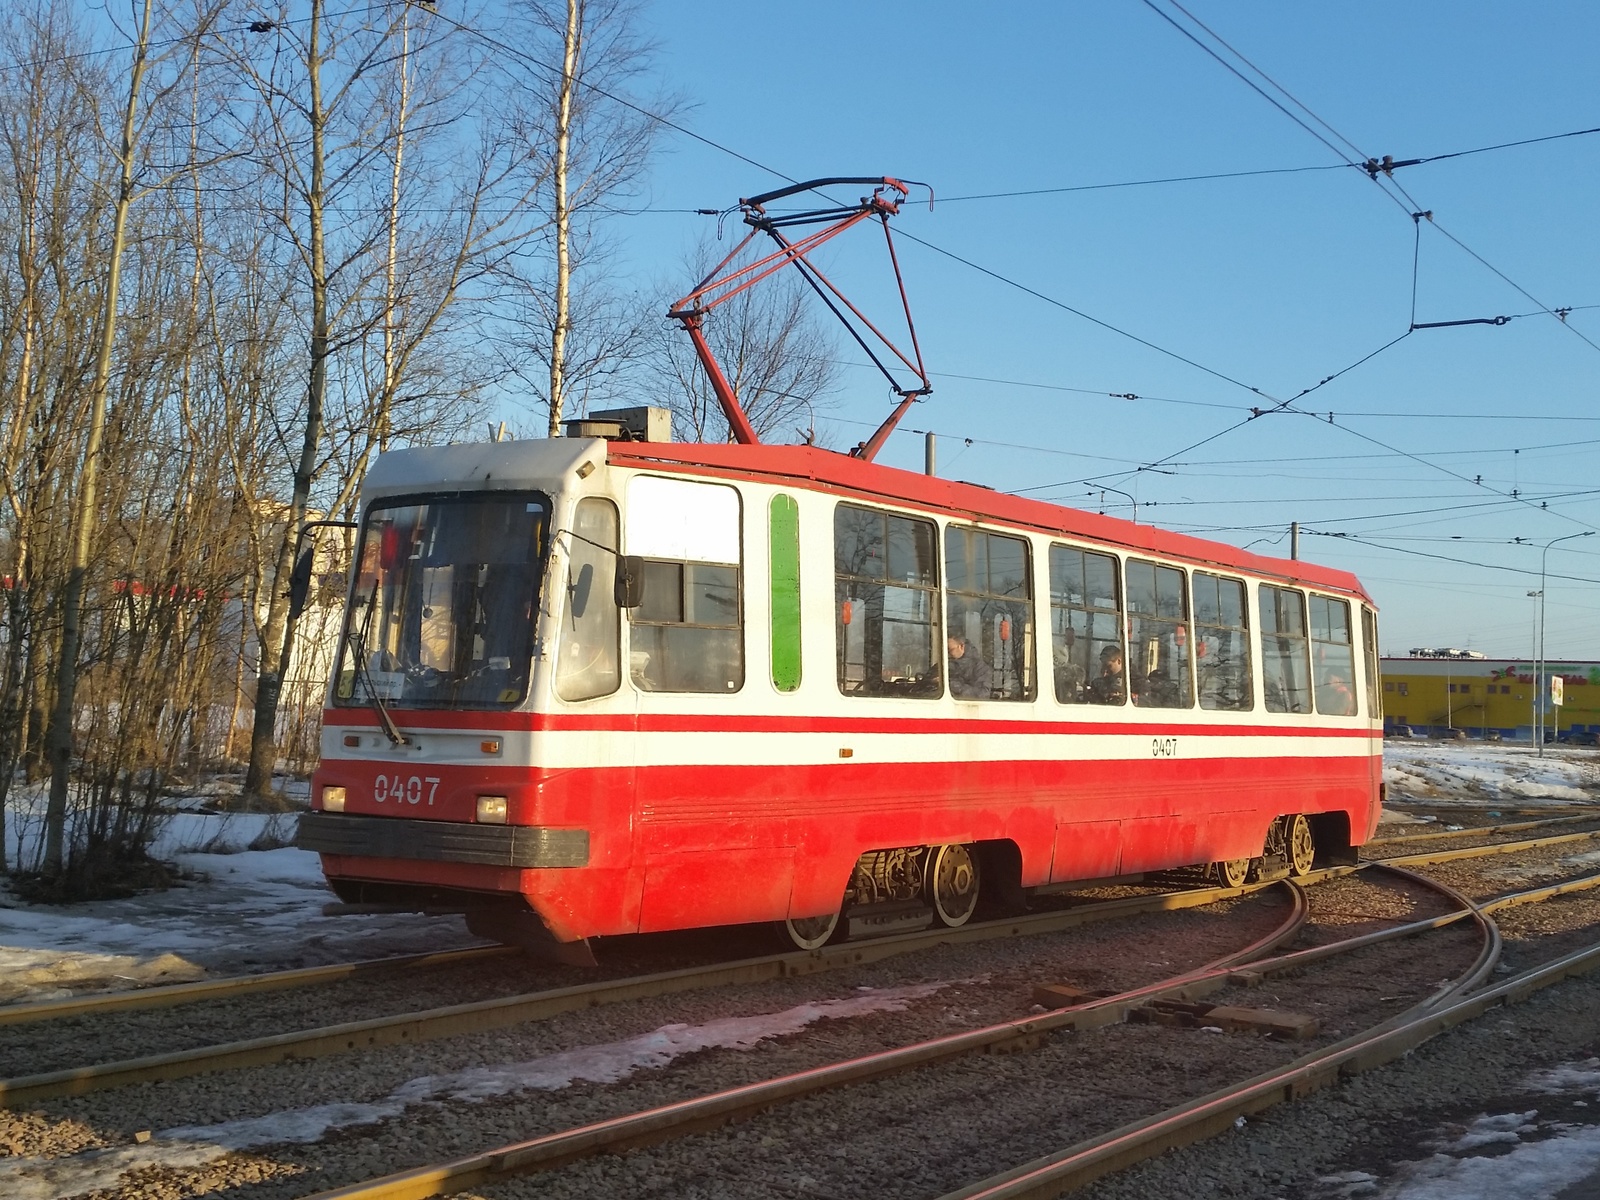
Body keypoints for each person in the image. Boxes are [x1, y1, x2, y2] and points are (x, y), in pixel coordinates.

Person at [947, 634, 993, 699]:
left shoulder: (980, 668)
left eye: (950, 650)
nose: (947, 653)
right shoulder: (942, 665)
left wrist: (949, 684)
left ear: (961, 646)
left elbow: (982, 694)